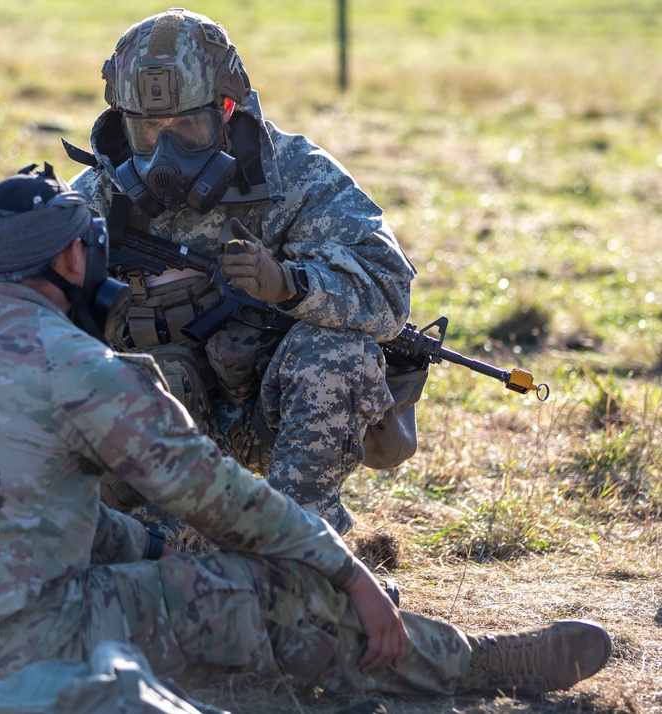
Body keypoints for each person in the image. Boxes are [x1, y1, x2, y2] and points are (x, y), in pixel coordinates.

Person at [0, 164, 611, 705]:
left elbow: (36, 517)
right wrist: (346, 574)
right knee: (270, 595)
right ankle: (475, 666)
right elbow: (222, 499)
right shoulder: (77, 366)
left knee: (178, 570)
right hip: (23, 651)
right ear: (70, 258)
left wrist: (157, 554)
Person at [67, 8, 425, 540]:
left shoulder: (297, 174)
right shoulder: (95, 198)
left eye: (188, 125)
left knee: (337, 352)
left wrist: (288, 284)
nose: (166, 153)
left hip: (267, 413)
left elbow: (389, 292)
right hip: (156, 435)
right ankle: (166, 544)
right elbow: (20, 328)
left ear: (227, 110)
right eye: (147, 131)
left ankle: (300, 546)